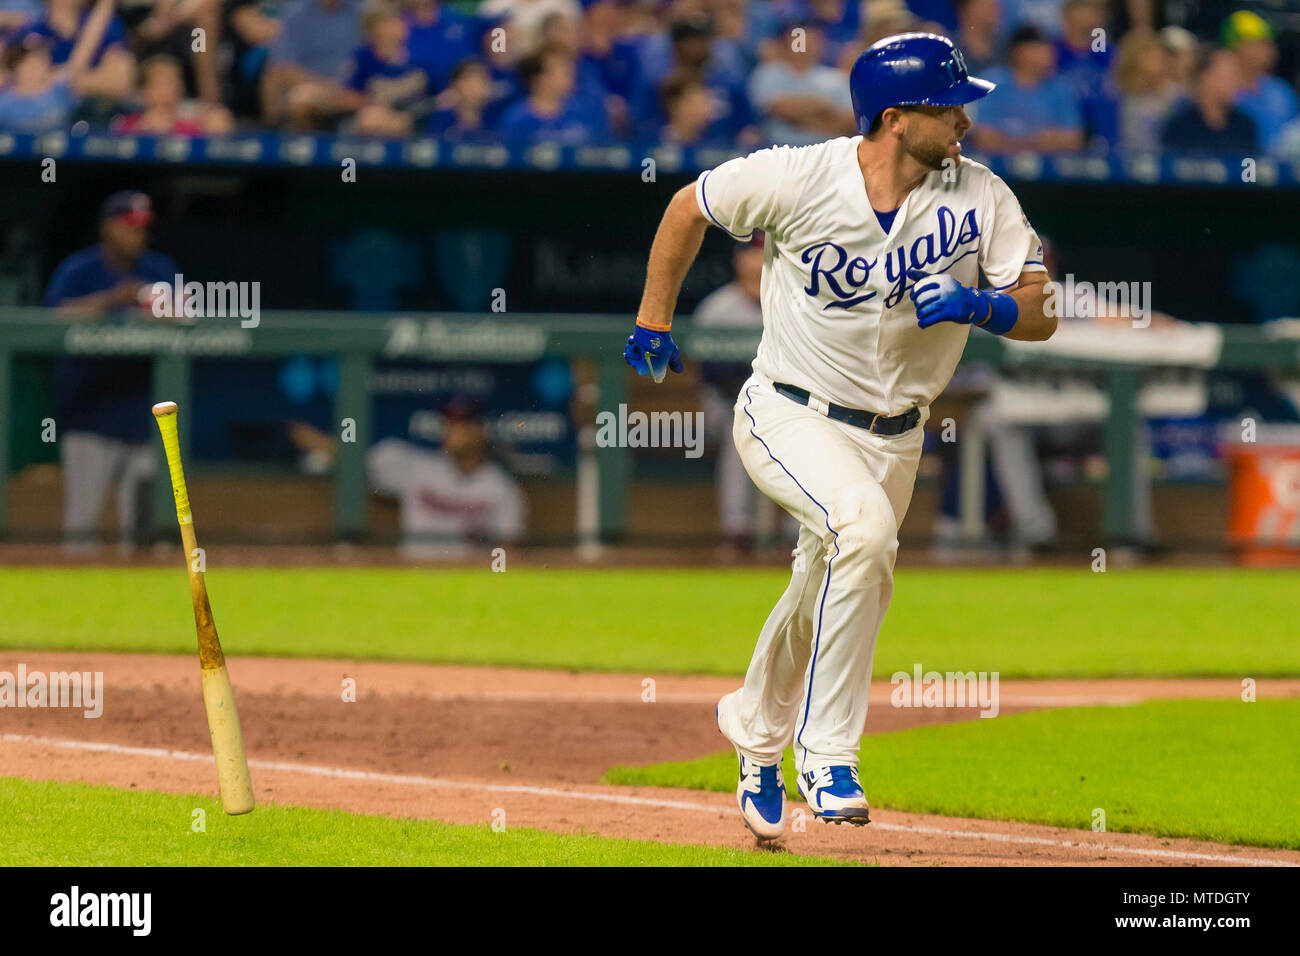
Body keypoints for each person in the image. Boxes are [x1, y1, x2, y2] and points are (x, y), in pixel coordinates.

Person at [622, 33, 1055, 839]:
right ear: (895, 118)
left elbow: (1043, 310)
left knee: (827, 571)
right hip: (789, 410)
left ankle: (755, 734)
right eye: (947, 105)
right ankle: (829, 753)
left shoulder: (981, 195)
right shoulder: (799, 173)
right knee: (863, 534)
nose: (963, 119)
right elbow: (689, 206)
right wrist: (653, 317)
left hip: (896, 437)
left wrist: (982, 308)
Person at [45, 191, 179, 552]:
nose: (137, 235)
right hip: (89, 415)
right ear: (107, 228)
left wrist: (159, 312)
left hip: (143, 417)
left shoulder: (158, 269)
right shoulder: (80, 269)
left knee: (141, 537)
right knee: (80, 531)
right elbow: (54, 318)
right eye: (128, 227)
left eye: (142, 228)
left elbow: (185, 315)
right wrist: (113, 300)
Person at [290, 395, 525, 559]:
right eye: (449, 423)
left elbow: (508, 551)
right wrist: (293, 428)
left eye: (462, 423)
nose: (453, 431)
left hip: (466, 577)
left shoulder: (500, 486)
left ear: (480, 430)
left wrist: (492, 577)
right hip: (414, 572)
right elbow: (347, 457)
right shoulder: (416, 466)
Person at [694, 233, 765, 551]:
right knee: (742, 426)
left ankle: (798, 534)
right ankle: (737, 532)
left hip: (781, 405)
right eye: (752, 255)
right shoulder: (717, 309)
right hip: (721, 404)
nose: (758, 263)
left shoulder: (796, 305)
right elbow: (709, 374)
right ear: (738, 260)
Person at [0, 0, 117, 132]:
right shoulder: (4, 99)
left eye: (39, 57)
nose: (33, 64)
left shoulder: (59, 87)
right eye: (25, 59)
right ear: (16, 66)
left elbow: (85, 48)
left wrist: (105, 5)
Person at [967, 24, 1085, 153]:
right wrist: (1037, 141)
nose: (1049, 54)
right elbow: (984, 138)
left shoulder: (1061, 88)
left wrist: (1008, 140)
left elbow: (1074, 139)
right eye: (1040, 48)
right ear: (1019, 52)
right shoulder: (991, 83)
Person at [748, 18, 856, 146]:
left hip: (827, 152)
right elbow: (783, 109)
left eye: (814, 38)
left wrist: (802, 116)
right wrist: (823, 106)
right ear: (786, 41)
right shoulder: (769, 72)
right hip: (780, 150)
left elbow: (849, 122)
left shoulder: (837, 78)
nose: (808, 43)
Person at [261, 0, 365, 130]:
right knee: (301, 99)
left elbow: (377, 54)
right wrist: (334, 91)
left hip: (358, 87)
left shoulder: (362, 10)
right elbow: (286, 69)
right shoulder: (295, 14)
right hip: (315, 87)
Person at [1221, 10, 1298, 152]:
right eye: (1260, 42)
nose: (1270, 48)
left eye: (1269, 42)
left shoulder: (1282, 91)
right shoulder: (1221, 91)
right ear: (1237, 45)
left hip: (1280, 171)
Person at [1161, 46, 1257, 155]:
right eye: (1230, 76)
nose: (1237, 83)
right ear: (1205, 78)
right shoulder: (1179, 127)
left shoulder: (1245, 126)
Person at [111, 53, 235, 135]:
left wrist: (213, 125)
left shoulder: (195, 120)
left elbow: (217, 122)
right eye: (163, 83)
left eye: (175, 81)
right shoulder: (129, 123)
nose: (172, 88)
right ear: (146, 91)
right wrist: (143, 128)